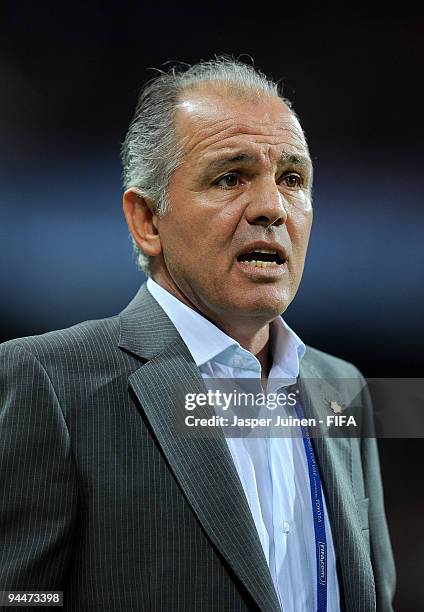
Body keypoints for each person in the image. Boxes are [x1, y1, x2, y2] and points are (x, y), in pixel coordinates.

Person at [0, 58, 395, 611]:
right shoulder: (48, 382)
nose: (271, 208)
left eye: (292, 179)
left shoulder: (342, 386)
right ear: (147, 220)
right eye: (231, 177)